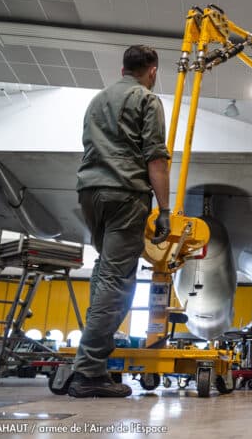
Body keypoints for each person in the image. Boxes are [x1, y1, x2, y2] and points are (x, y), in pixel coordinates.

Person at [69, 45, 172, 397]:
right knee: (117, 282)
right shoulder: (147, 99)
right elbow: (156, 159)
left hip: (90, 193)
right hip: (125, 193)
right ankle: (87, 373)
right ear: (152, 71)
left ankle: (92, 365)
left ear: (123, 67)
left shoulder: (97, 100)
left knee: (104, 273)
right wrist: (165, 210)